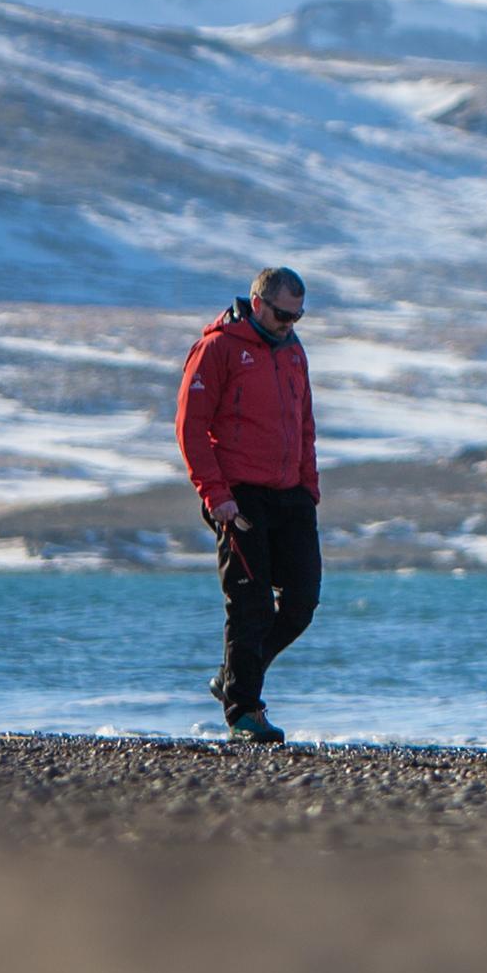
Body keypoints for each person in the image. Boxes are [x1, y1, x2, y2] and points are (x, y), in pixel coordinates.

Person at [177, 264, 323, 745]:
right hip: (238, 498)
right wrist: (215, 494)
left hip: (290, 495)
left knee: (301, 603)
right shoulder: (217, 349)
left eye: (298, 317)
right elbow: (190, 428)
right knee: (251, 605)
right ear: (258, 303)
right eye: (284, 315)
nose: (290, 325)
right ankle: (244, 711)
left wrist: (309, 487)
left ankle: (233, 678)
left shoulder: (293, 351)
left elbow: (304, 423)